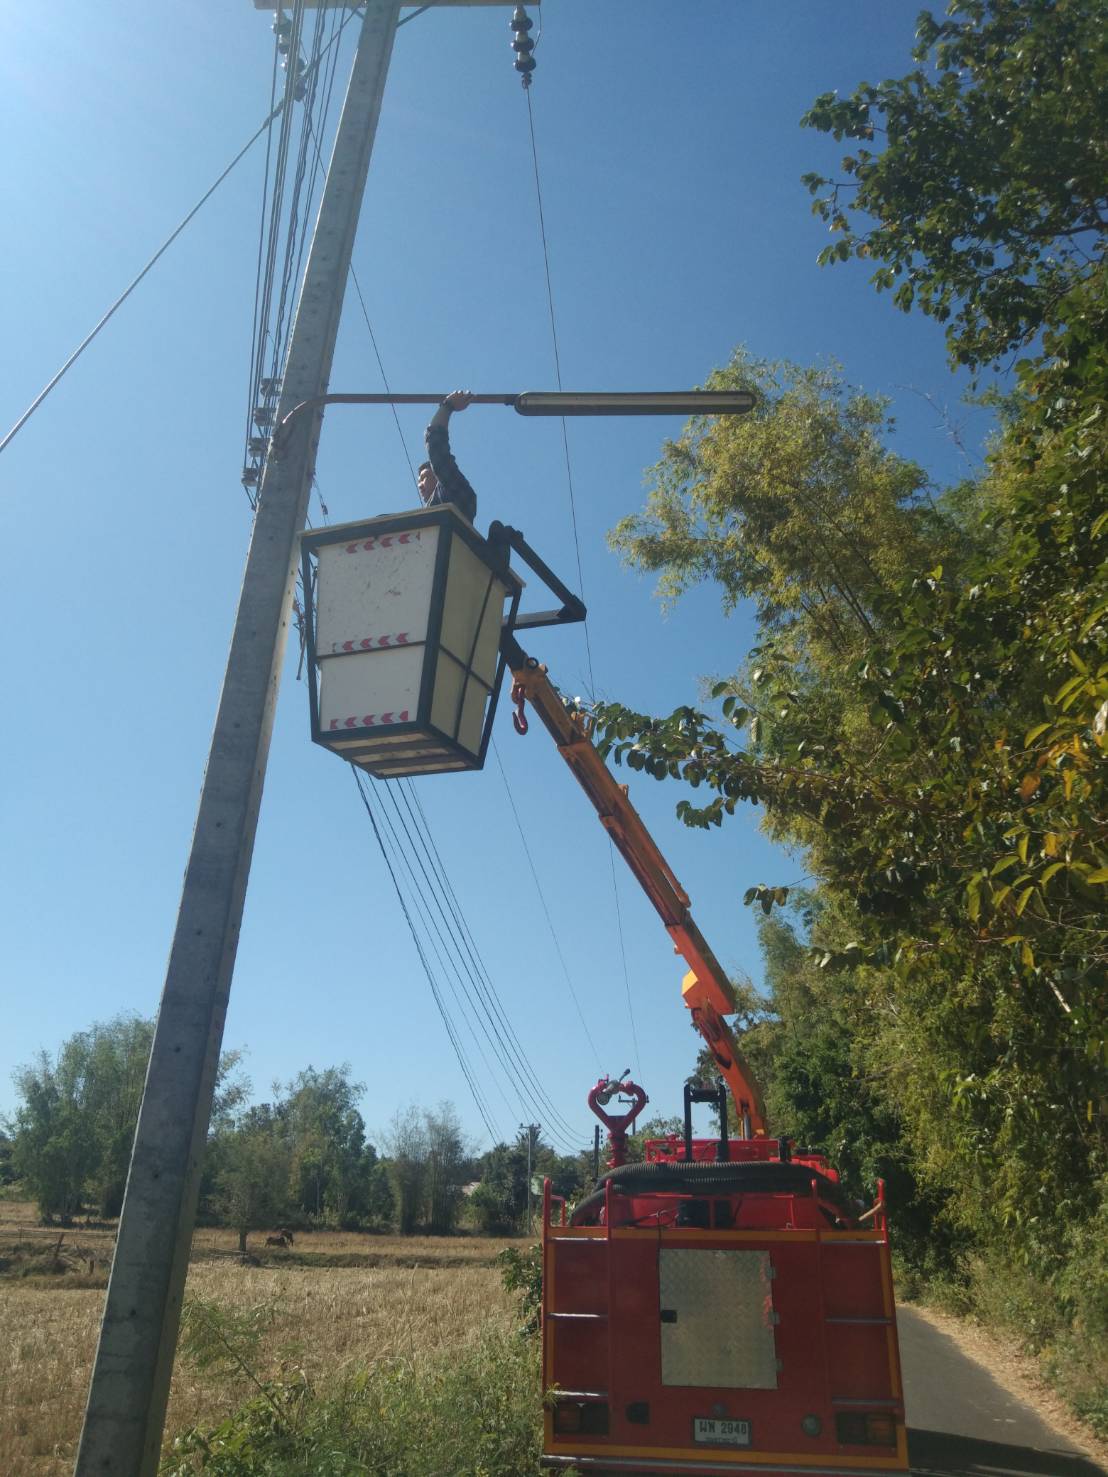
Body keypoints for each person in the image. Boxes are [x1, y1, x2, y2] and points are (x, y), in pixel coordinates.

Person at [418, 389, 478, 523]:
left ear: (437, 475)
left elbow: (437, 448)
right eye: (419, 481)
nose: (420, 485)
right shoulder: (423, 519)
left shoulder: (456, 490)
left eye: (424, 477)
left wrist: (448, 406)